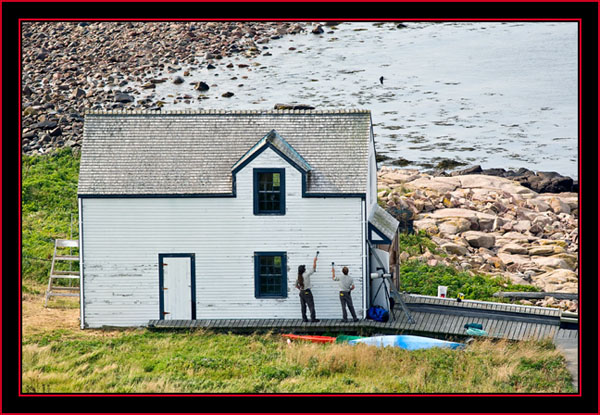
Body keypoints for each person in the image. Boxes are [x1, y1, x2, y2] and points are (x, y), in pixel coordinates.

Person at [296, 255, 319, 322]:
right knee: (311, 305)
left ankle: (304, 318)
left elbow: (296, 285)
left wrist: (300, 289)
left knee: (303, 306)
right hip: (307, 292)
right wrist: (315, 261)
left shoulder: (298, 276)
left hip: (301, 292)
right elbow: (313, 268)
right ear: (304, 270)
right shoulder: (306, 274)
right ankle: (313, 319)